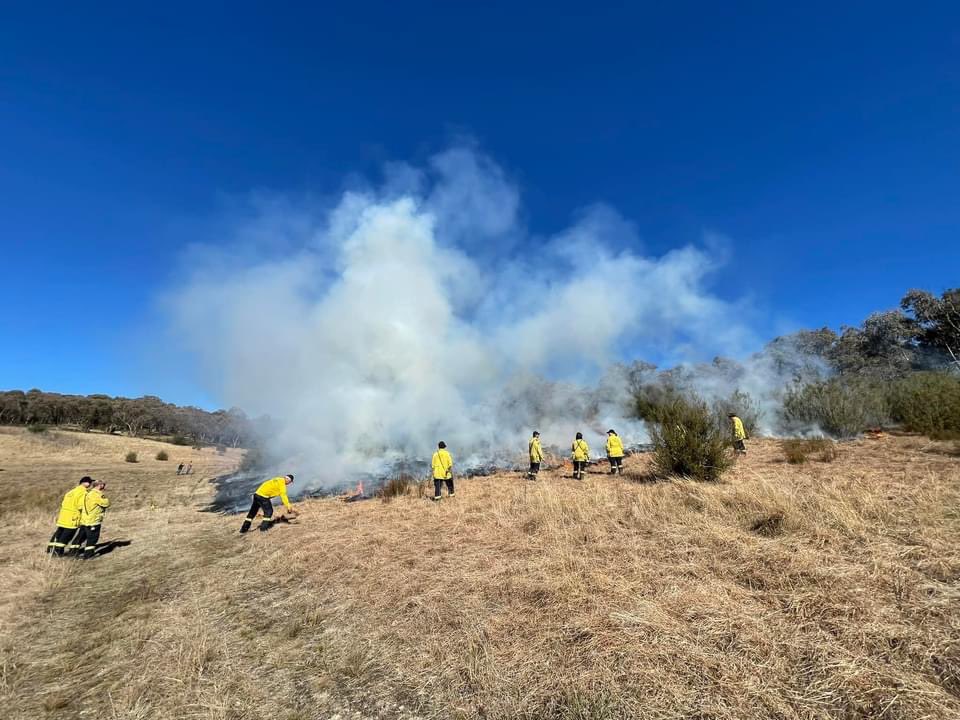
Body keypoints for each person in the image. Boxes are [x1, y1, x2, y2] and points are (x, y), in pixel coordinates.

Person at [47, 476, 92, 556]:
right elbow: (81, 506)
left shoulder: (71, 492)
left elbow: (63, 503)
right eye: (89, 482)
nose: (90, 484)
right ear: (85, 483)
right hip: (72, 518)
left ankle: (50, 549)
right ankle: (58, 551)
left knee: (59, 532)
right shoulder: (83, 493)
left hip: (63, 516)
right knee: (67, 535)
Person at [75, 479, 110, 559]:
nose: (104, 486)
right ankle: (89, 555)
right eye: (103, 485)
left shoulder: (88, 493)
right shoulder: (97, 494)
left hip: (86, 519)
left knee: (81, 537)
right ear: (99, 485)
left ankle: (73, 552)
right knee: (92, 538)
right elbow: (106, 503)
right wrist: (106, 499)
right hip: (93, 520)